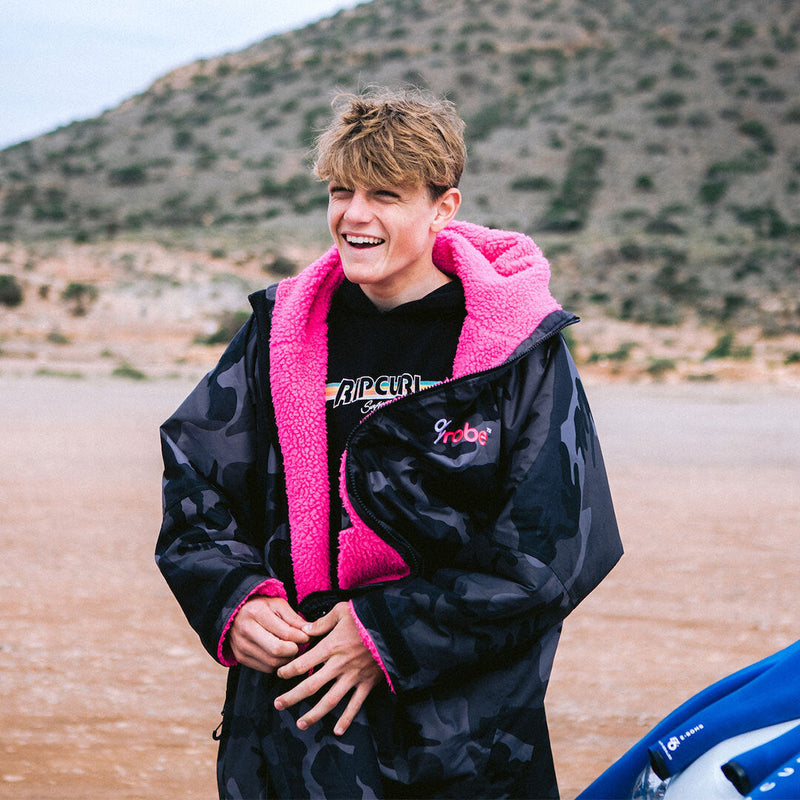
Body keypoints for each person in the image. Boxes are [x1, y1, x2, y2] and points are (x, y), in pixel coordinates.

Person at [156, 86, 623, 799]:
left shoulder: (516, 354)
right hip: (290, 732)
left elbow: (554, 549)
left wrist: (386, 635)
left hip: (463, 746)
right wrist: (236, 600)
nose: (356, 215)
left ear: (444, 207)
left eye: (386, 194)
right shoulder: (279, 335)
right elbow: (198, 481)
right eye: (342, 191)